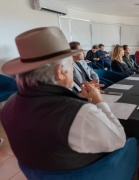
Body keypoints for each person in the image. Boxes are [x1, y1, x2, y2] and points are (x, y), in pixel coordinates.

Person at [1, 27, 126, 171]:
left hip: (36, 171)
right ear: (60, 72)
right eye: (70, 66)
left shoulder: (9, 104)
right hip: (84, 173)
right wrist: (99, 101)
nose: (73, 70)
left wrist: (77, 97)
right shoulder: (81, 113)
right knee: (132, 143)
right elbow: (119, 139)